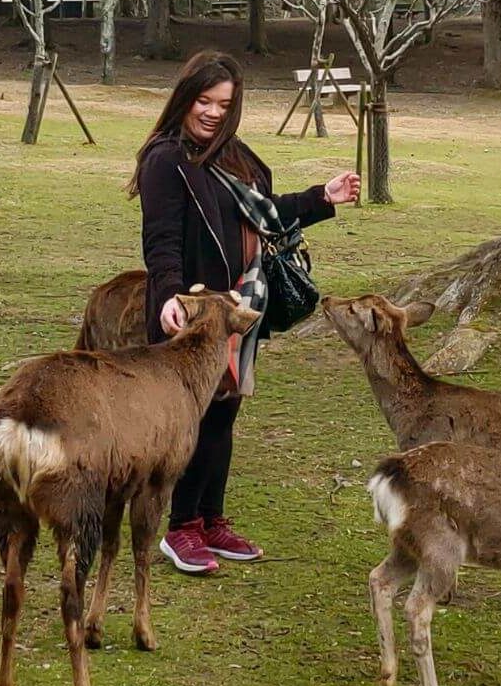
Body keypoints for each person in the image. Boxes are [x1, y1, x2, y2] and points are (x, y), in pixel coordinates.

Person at [128, 51, 360, 574]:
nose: (211, 112)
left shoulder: (232, 154)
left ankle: (211, 520)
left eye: (223, 103)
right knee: (194, 420)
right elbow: (161, 240)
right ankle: (180, 529)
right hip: (192, 314)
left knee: (224, 414)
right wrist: (169, 295)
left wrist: (322, 197)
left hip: (240, 306)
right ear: (185, 98)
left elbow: (268, 211)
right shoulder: (167, 160)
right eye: (203, 101)